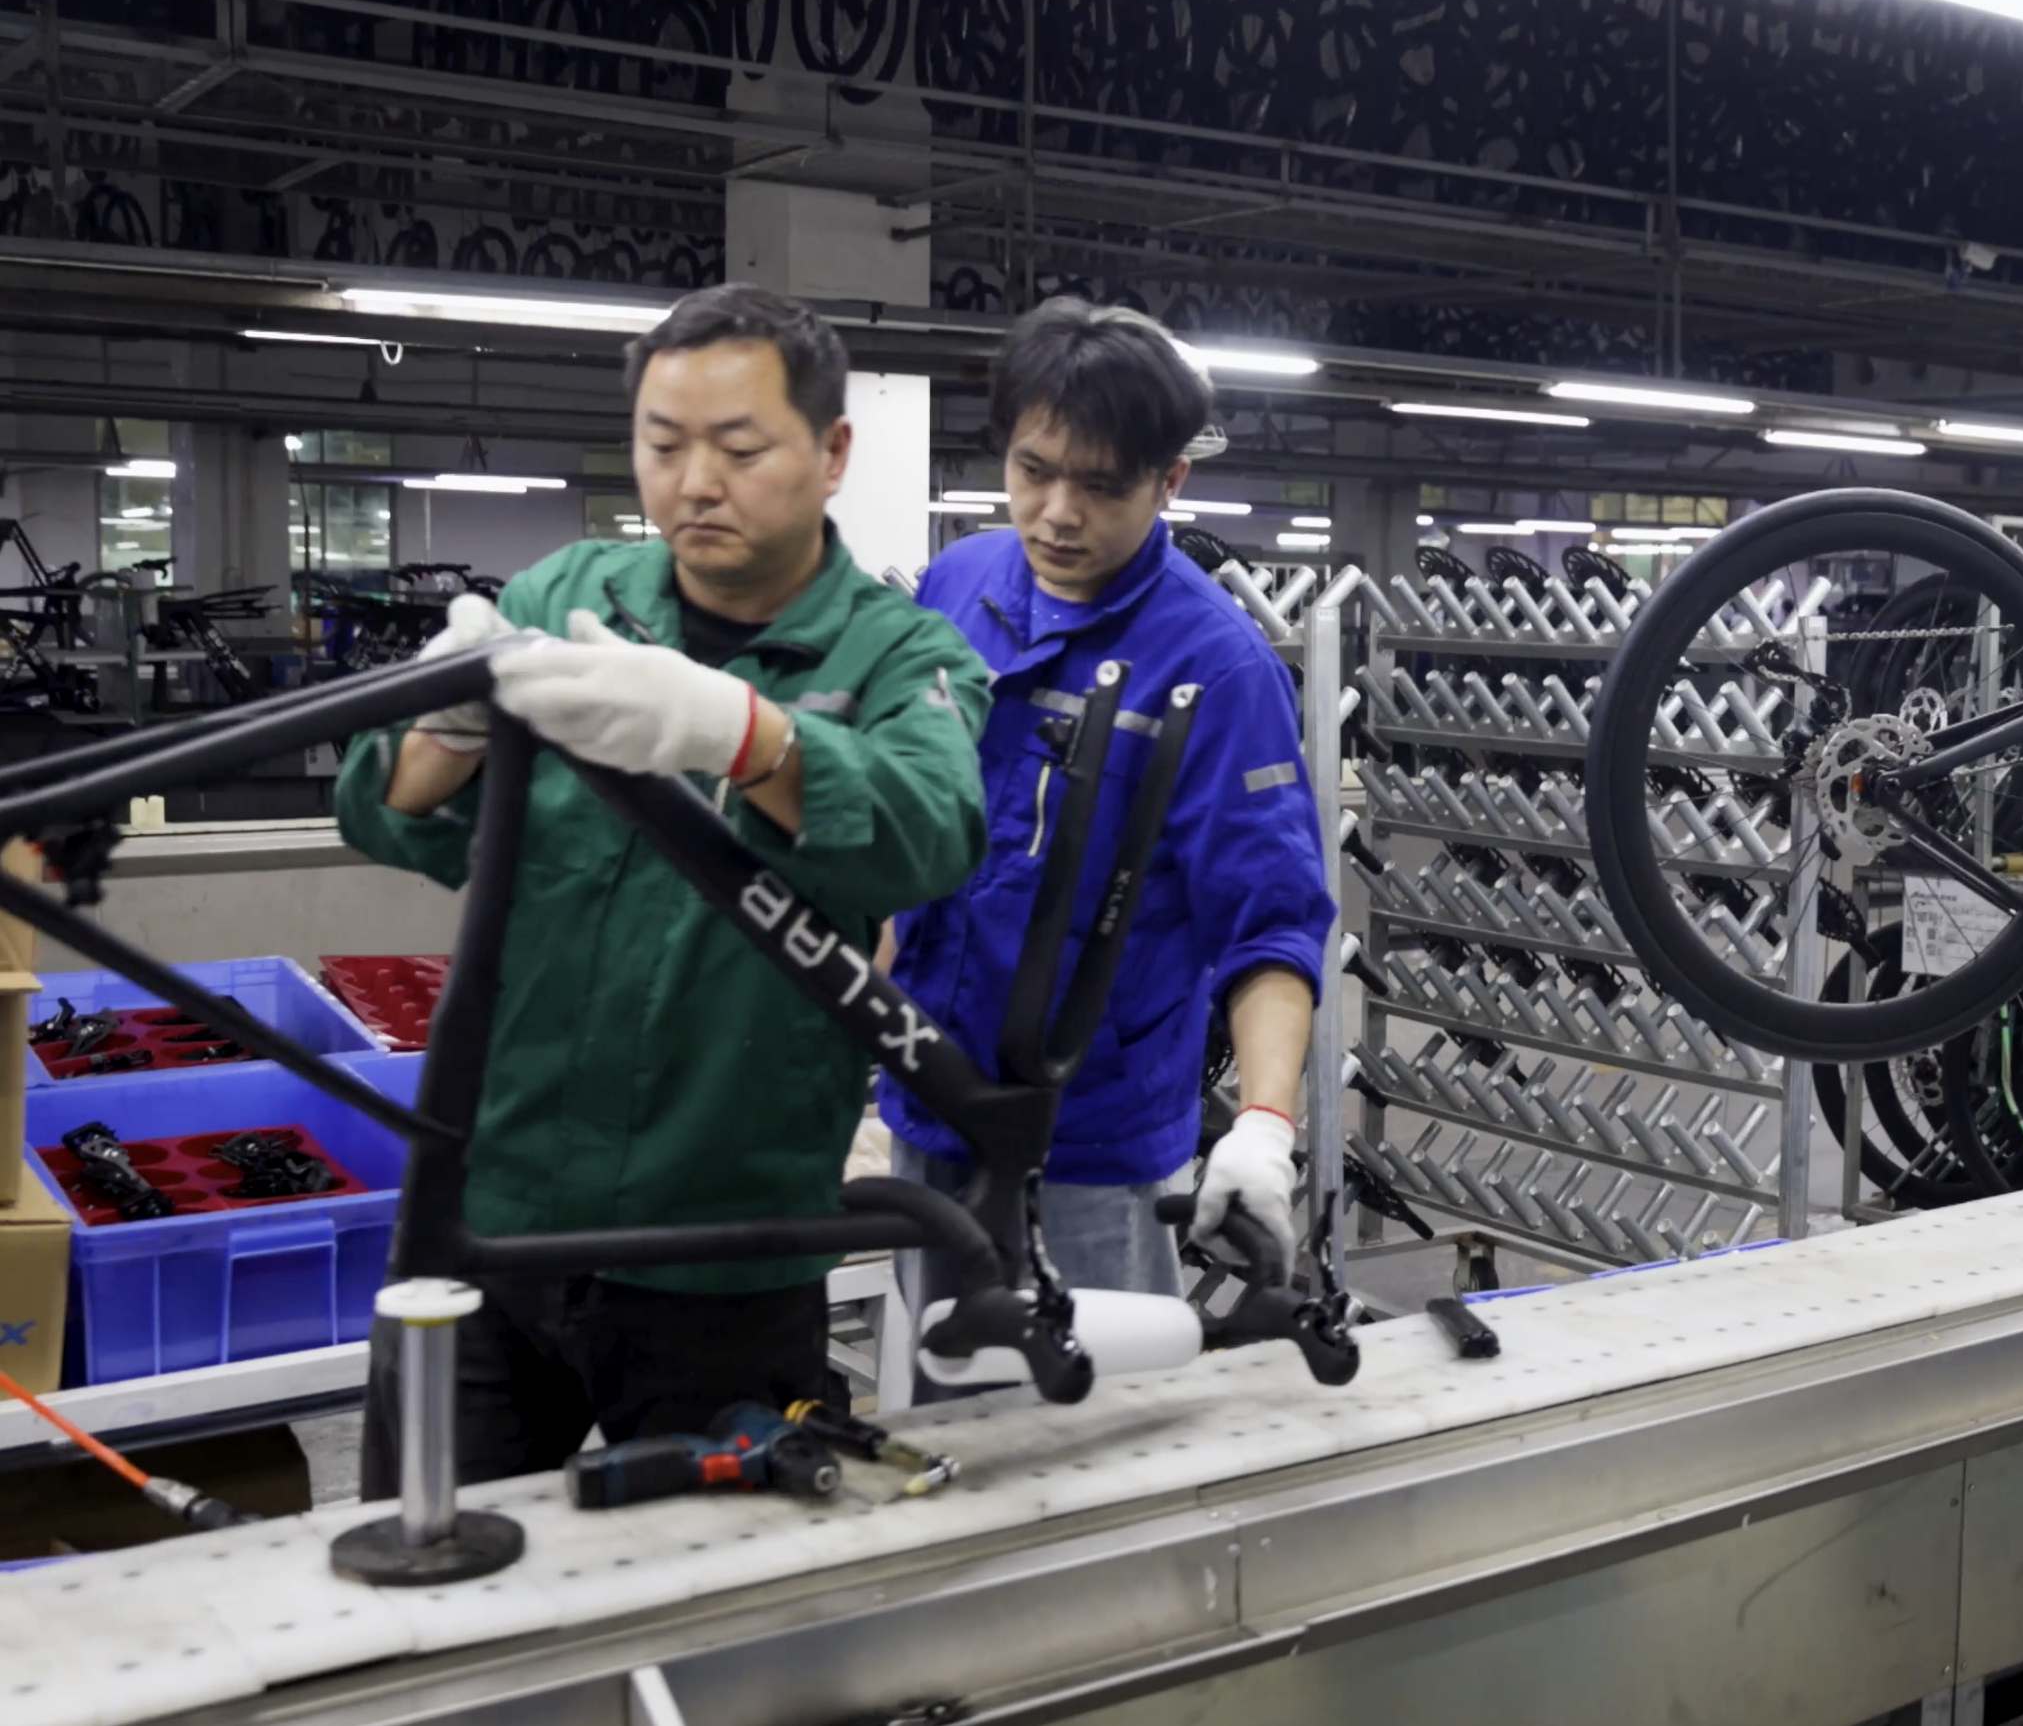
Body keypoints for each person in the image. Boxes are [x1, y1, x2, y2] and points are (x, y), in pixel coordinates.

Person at [336, 284, 995, 1490]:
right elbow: (398, 817)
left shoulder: (902, 657)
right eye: (661, 445)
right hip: (492, 1217)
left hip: (722, 1258)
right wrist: (443, 728)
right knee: (420, 1573)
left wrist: (750, 735)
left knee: (716, 1618)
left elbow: (928, 830)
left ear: (831, 450)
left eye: (739, 449)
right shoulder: (565, 603)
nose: (695, 482)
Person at [881, 297, 1332, 1319]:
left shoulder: (1215, 669)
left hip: (1086, 1141)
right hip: (921, 1096)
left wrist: (1264, 1125)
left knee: (1091, 1431)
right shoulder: (957, 586)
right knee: (946, 1406)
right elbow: (897, 825)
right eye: (1033, 471)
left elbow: (1269, 924)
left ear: (1170, 480)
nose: (1057, 514)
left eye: (1100, 485)